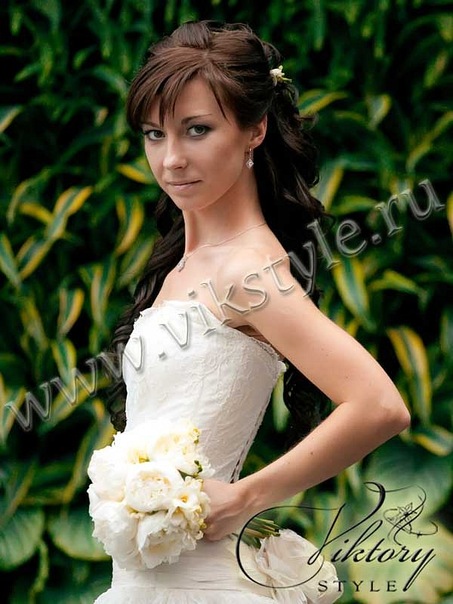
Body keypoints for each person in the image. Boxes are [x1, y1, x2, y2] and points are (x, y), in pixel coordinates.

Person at [89, 20, 410, 603]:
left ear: (255, 129)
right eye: (155, 134)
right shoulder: (186, 264)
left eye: (197, 130)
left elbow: (379, 405)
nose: (171, 159)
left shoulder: (246, 272)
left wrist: (245, 497)